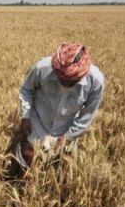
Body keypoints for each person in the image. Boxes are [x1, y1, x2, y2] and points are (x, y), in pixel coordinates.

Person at [14, 42, 104, 170]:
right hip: (38, 119)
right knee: (28, 158)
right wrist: (26, 116)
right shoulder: (42, 67)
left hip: (66, 125)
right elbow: (26, 89)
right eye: (61, 79)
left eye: (71, 82)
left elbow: (87, 115)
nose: (65, 85)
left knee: (60, 166)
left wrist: (68, 137)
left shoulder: (96, 82)